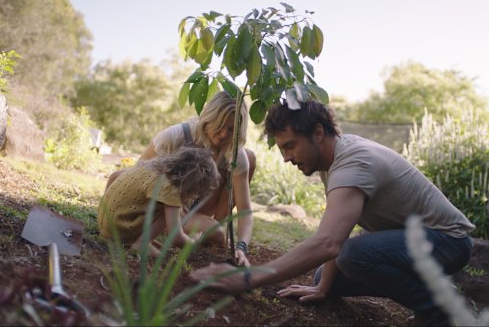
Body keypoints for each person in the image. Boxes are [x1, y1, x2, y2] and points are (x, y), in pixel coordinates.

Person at [190, 99, 475, 326]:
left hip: (448, 242)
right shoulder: (334, 160)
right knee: (323, 279)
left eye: (290, 146)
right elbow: (338, 230)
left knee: (352, 256)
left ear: (318, 132)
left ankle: (437, 311)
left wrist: (248, 277)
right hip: (415, 241)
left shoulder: (354, 163)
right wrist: (323, 288)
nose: (287, 158)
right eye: (281, 149)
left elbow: (329, 243)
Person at [106, 91, 257, 266]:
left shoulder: (234, 153)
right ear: (208, 117)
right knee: (119, 176)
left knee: (215, 231)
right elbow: (136, 178)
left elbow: (245, 210)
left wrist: (241, 247)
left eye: (231, 129)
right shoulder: (175, 136)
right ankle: (155, 232)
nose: (223, 134)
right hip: (162, 206)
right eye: (219, 124)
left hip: (189, 209)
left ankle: (195, 228)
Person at [98, 147, 220, 257]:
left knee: (170, 206)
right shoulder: (169, 188)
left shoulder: (148, 168)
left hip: (105, 225)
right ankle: (142, 244)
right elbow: (176, 238)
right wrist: (194, 241)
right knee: (168, 208)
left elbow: (115, 174)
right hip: (118, 231)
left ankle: (141, 239)